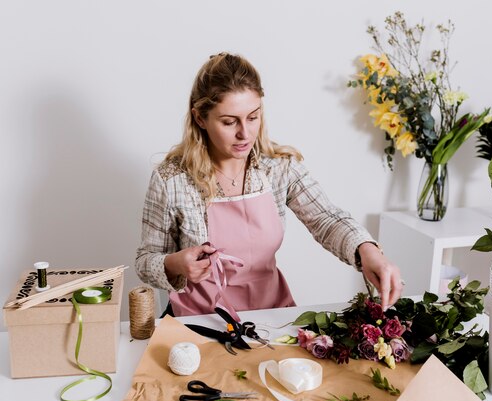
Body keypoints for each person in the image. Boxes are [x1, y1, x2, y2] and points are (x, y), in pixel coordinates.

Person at [135, 52, 403, 317]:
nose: (245, 133)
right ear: (200, 118)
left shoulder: (278, 168)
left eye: (253, 117)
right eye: (229, 122)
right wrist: (175, 264)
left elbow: (327, 219)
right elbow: (146, 262)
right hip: (201, 321)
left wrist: (367, 251)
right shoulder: (172, 180)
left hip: (272, 317)